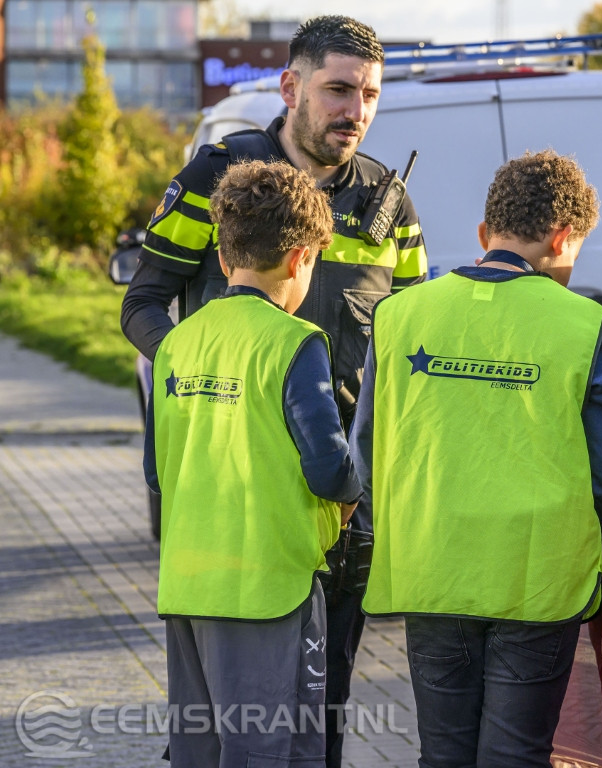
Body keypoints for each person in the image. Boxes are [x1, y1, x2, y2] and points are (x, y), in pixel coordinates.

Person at [121, 16, 426, 765]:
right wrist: (205, 371)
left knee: (320, 709)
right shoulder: (217, 179)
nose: (355, 109)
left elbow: (415, 340)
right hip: (233, 502)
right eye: (338, 89)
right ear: (292, 87)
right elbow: (142, 305)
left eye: (370, 94)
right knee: (221, 728)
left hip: (338, 502)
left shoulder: (391, 204)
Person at [349, 149, 602, 768]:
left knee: (444, 754)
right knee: (516, 754)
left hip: (432, 568)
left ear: (486, 234)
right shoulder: (588, 326)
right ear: (564, 239)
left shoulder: (399, 315)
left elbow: (367, 446)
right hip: (539, 576)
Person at [144, 159, 362, 767]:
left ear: (223, 256)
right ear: (300, 260)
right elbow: (327, 467)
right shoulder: (295, 342)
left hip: (188, 582)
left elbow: (157, 473)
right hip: (270, 585)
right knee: (276, 748)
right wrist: (352, 490)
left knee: (200, 749)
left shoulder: (176, 343)